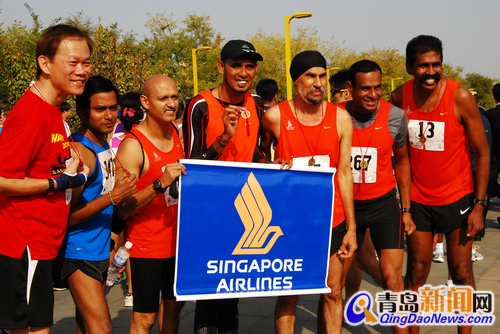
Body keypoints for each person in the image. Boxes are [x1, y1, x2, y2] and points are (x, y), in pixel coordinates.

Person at [391, 35, 490, 334]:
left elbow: (483, 152)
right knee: (416, 273)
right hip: (418, 202)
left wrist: (480, 205)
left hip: (458, 199)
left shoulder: (460, 96)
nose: (431, 72)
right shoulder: (399, 97)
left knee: (461, 274)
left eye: (436, 65)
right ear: (410, 67)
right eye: (423, 66)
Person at [0, 24, 91, 334]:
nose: (82, 71)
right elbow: (1, 179)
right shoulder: (29, 115)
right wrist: (59, 184)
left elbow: (49, 166)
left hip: (44, 243)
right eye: (73, 62)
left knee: (40, 328)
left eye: (86, 62)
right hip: (24, 242)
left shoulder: (52, 109)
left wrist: (75, 174)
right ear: (45, 63)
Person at [259, 50, 355, 334]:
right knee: (290, 295)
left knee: (333, 291)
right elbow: (260, 159)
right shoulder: (275, 117)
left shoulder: (340, 119)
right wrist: (272, 163)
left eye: (322, 76)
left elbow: (345, 173)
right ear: (296, 82)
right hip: (291, 222)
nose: (318, 83)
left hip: (332, 219)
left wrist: (352, 226)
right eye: (310, 76)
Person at [184, 39, 265, 334]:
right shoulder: (201, 105)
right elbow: (190, 164)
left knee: (232, 295)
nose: (243, 72)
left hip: (243, 213)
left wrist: (272, 162)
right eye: (236, 65)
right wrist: (222, 140)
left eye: (249, 66)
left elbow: (253, 153)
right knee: (208, 295)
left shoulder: (256, 104)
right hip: (209, 213)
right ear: (221, 67)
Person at [340, 60, 416, 334]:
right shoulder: (335, 116)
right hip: (346, 208)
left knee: (392, 279)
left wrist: (406, 209)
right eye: (365, 89)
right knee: (334, 285)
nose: (373, 94)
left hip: (384, 205)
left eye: (378, 88)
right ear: (350, 88)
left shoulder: (395, 116)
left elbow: (404, 162)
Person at [59, 75, 137, 333]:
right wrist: (112, 197)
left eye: (113, 108)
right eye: (99, 109)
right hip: (79, 252)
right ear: (82, 111)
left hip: (102, 250)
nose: (109, 115)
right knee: (102, 329)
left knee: (86, 327)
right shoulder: (80, 152)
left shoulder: (103, 142)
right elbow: (66, 216)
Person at [115, 74, 185, 333]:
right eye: (163, 98)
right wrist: (158, 184)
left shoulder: (175, 133)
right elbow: (122, 208)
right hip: (147, 245)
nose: (171, 104)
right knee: (145, 319)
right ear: (145, 102)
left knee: (174, 307)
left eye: (174, 97)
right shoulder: (132, 146)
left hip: (176, 242)